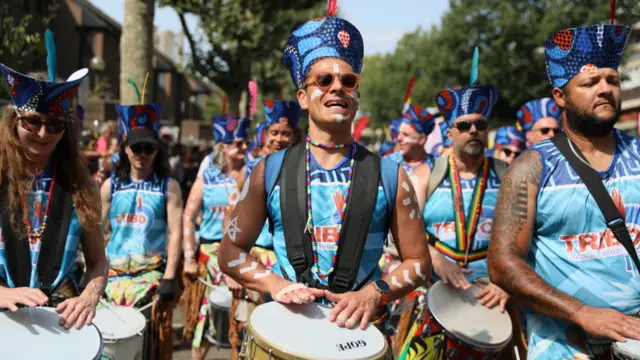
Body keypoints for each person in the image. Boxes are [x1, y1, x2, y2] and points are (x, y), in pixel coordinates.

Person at [219, 7, 431, 333]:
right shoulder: (266, 171)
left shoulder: (392, 176)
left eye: (348, 81)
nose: (337, 88)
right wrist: (276, 284)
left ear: (357, 96)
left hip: (361, 334)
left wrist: (375, 293)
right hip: (289, 330)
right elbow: (230, 251)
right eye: (324, 80)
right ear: (303, 97)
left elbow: (418, 262)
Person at [488, 24, 640, 359]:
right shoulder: (531, 167)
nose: (605, 90)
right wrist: (583, 313)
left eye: (612, 80)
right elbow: (502, 264)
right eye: (589, 83)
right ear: (560, 96)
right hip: (564, 348)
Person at [0, 29, 107, 329]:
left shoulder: (80, 185)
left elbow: (98, 262)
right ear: (14, 122)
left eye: (55, 124)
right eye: (32, 121)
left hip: (61, 319)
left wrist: (89, 296)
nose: (43, 133)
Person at [100, 99, 183, 358]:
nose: (142, 154)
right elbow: (94, 229)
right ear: (125, 149)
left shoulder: (168, 187)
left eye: (148, 148)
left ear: (157, 151)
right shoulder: (110, 186)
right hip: (112, 276)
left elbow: (177, 233)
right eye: (136, 147)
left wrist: (169, 278)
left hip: (149, 277)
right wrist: (89, 268)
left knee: (148, 346)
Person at [180, 114, 251, 360]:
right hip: (209, 259)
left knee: (238, 327)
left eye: (245, 142)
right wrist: (189, 257)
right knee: (202, 325)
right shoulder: (206, 178)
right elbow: (188, 217)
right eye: (237, 143)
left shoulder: (255, 177)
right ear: (222, 146)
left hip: (243, 258)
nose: (243, 147)